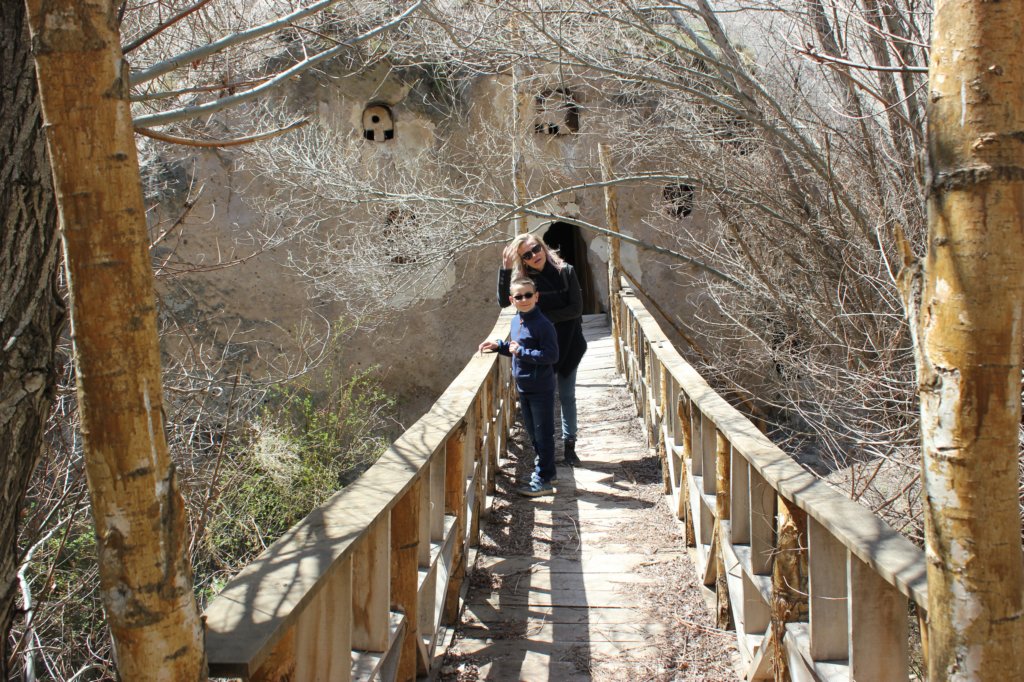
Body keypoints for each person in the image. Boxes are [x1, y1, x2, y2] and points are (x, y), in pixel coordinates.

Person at [497, 233, 587, 466]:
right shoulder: (525, 279)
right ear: (523, 260)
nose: (534, 255)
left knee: (566, 397)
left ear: (543, 246)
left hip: (568, 344)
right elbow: (504, 301)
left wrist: (541, 319)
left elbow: (576, 309)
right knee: (542, 399)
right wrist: (506, 269)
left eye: (536, 249)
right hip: (535, 350)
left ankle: (569, 446)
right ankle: (543, 452)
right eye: (526, 254)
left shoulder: (565, 271)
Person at [480, 277, 559, 497]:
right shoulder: (517, 321)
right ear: (511, 300)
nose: (523, 299)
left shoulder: (543, 324)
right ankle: (546, 472)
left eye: (527, 295)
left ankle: (543, 480)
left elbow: (551, 355)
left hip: (541, 387)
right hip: (523, 386)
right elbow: (516, 348)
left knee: (543, 434)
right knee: (534, 433)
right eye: (518, 296)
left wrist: (520, 352)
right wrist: (500, 346)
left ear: (536, 296)